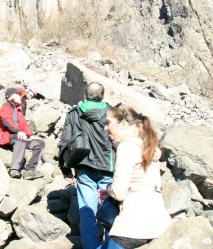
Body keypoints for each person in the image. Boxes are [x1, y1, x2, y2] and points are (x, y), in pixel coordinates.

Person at [98, 104, 171, 249]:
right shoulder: (147, 146)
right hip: (158, 223)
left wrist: (108, 188)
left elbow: (119, 193)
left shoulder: (126, 147)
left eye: (108, 123)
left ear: (123, 124)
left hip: (133, 226)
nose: (105, 128)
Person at [57, 82, 114, 249]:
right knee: (111, 213)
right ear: (102, 95)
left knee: (87, 214)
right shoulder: (112, 113)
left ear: (86, 95)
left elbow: (65, 142)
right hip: (108, 168)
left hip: (84, 167)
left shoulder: (74, 113)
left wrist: (65, 169)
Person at [0, 87, 45, 180]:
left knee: (40, 143)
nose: (20, 96)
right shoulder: (6, 106)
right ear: (11, 96)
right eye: (17, 95)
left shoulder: (18, 108)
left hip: (20, 135)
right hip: (9, 136)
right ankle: (14, 169)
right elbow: (6, 121)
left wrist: (30, 135)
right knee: (21, 139)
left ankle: (30, 170)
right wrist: (18, 131)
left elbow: (23, 124)